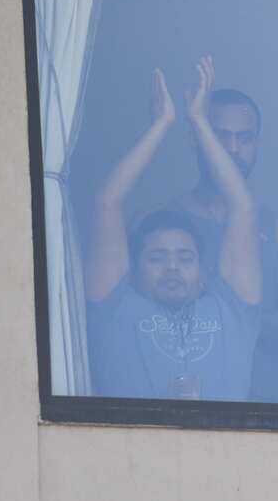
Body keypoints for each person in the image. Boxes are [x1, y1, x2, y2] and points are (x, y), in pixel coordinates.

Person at [85, 56, 264, 400]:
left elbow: (242, 207)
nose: (172, 267)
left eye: (185, 258)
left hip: (228, 452)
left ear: (204, 272)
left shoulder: (232, 312)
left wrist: (200, 122)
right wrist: (162, 124)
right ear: (133, 271)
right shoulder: (115, 311)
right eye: (156, 258)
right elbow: (107, 203)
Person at [153, 84, 278, 404]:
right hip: (173, 406)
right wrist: (256, 321)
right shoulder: (159, 225)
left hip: (258, 407)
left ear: (256, 143)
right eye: (220, 137)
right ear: (195, 139)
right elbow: (143, 318)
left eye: (244, 138)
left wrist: (213, 317)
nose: (233, 149)